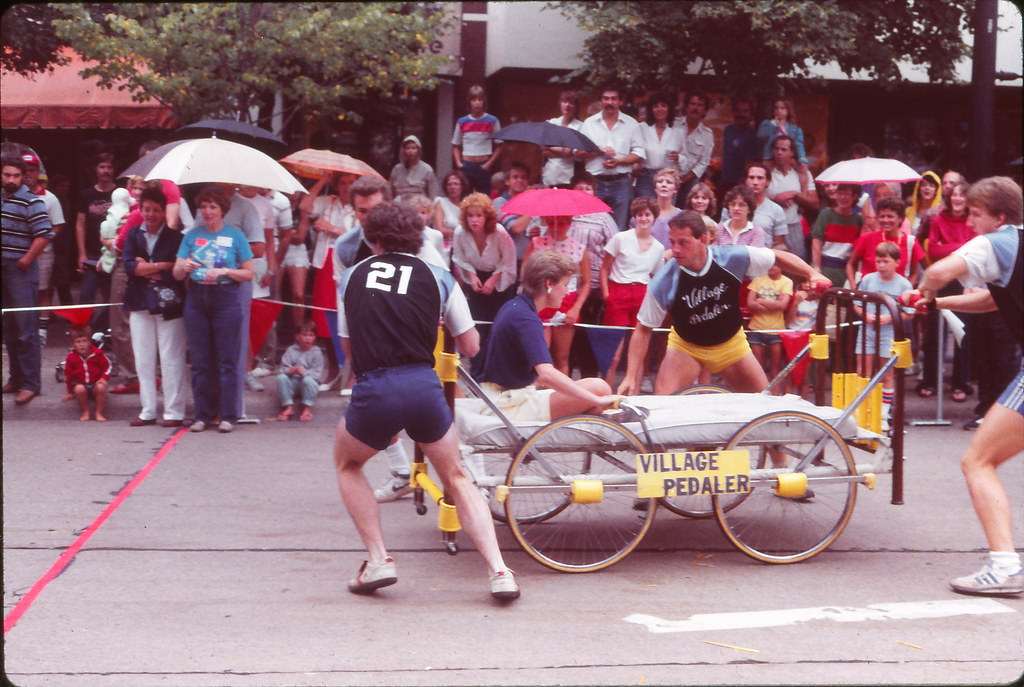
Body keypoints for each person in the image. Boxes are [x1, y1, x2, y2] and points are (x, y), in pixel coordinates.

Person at [333, 201, 519, 600]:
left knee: (348, 464)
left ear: (375, 240)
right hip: (422, 385)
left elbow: (349, 349)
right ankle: (499, 570)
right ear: (417, 238)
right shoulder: (439, 277)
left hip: (376, 386)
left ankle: (379, 558)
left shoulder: (350, 278)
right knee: (455, 475)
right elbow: (470, 344)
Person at [907, 176, 1023, 596]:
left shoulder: (997, 242)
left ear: (1000, 216)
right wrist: (936, 303)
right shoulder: (1017, 244)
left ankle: (1005, 565)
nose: (969, 221)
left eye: (975, 214)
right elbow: (991, 300)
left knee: (977, 461)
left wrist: (922, 289)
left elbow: (939, 270)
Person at [617, 211, 830, 396]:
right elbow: (643, 330)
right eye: (672, 242)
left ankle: (770, 445)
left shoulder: (732, 257)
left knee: (763, 406)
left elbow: (776, 257)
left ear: (703, 239)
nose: (676, 249)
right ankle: (695, 444)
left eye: (683, 242)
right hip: (687, 347)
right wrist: (630, 377)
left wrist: (811, 273)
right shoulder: (664, 280)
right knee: (662, 411)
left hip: (731, 344)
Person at [480, 249, 621, 422]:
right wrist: (597, 400)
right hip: (508, 406)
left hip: (503, 396)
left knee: (597, 390)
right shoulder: (526, 320)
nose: (567, 292)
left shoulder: (515, 307)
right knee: (599, 390)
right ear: (549, 284)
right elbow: (546, 374)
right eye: (565, 285)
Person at [173, 186, 254, 434]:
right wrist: (184, 267)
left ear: (222, 210)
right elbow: (176, 273)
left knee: (226, 359)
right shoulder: (191, 235)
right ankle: (202, 414)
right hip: (197, 296)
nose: (207, 212)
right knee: (199, 359)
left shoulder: (236, 235)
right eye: (204, 207)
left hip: (225, 296)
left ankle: (228, 414)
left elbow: (249, 273)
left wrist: (227, 271)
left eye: (213, 207)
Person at [122, 185, 187, 428]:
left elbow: (176, 269)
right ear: (140, 210)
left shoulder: (176, 237)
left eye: (156, 210)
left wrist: (148, 266)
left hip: (169, 304)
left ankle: (174, 411)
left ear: (163, 211)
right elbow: (130, 267)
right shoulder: (132, 234)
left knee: (172, 358)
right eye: (146, 209)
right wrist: (160, 266)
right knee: (143, 359)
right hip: (139, 302)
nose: (150, 215)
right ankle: (147, 410)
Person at [2, 155, 54, 405]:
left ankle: (31, 384)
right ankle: (15, 378)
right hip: (2, 270)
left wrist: (26, 260)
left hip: (20, 270)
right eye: (6, 175)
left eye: (15, 175)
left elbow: (44, 233)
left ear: (23, 177)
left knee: (26, 329)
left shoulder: (32, 201)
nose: (11, 180)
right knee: (9, 328)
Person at [600, 197, 666, 385]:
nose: (643, 219)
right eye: (640, 215)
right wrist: (607, 295)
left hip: (643, 296)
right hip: (618, 293)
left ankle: (635, 396)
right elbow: (605, 268)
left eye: (647, 215)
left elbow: (658, 277)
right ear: (634, 217)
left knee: (638, 356)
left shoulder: (659, 248)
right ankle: (606, 392)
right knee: (614, 354)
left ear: (654, 218)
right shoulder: (621, 238)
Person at [450, 192, 516, 377]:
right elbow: (458, 258)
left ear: (486, 216)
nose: (474, 220)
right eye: (470, 215)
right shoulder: (460, 232)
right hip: (475, 276)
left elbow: (508, 261)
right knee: (478, 326)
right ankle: (477, 371)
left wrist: (493, 280)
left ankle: (496, 371)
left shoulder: (499, 232)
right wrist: (471, 276)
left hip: (501, 279)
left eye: (478, 215)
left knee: (496, 325)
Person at [521, 214, 590, 376]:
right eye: (551, 222)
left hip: (566, 301)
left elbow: (586, 282)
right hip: (541, 299)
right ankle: (534, 391)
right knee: (540, 354)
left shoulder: (579, 248)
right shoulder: (537, 243)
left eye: (561, 223)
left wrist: (576, 308)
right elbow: (525, 273)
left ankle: (562, 395)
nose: (555, 227)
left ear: (569, 224)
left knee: (562, 357)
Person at [853, 242, 913, 423]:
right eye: (878, 261)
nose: (881, 266)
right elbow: (856, 303)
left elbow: (910, 313)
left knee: (886, 373)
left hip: (889, 332)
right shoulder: (868, 280)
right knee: (863, 370)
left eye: (885, 261)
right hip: (867, 330)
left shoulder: (904, 284)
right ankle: (861, 410)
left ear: (897, 262)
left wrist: (890, 318)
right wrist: (866, 315)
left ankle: (883, 413)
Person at [577, 82, 646, 230]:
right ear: (601, 101)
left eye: (614, 99)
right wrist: (599, 151)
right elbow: (578, 153)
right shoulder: (589, 123)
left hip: (621, 183)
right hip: (595, 183)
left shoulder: (631, 124)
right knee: (592, 226)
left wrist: (619, 161)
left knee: (618, 228)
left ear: (620, 101)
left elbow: (640, 153)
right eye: (606, 98)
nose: (610, 102)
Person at [20, 152, 65, 346]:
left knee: (42, 290)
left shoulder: (50, 198)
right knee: (20, 289)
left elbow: (58, 225)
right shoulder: (12, 195)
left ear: (38, 172)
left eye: (32, 170)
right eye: (25, 170)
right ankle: (23, 328)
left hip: (44, 252)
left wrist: (43, 240)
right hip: (19, 250)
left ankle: (41, 330)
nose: (29, 174)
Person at [75, 152, 116, 330]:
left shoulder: (120, 193)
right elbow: (80, 224)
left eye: (109, 167)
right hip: (92, 253)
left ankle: (103, 333)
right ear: (95, 169)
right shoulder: (86, 194)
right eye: (102, 167)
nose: (105, 171)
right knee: (86, 295)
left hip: (114, 254)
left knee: (113, 298)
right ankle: (86, 333)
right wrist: (82, 253)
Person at [847, 196, 924, 287]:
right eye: (882, 216)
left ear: (901, 219)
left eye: (890, 216)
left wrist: (905, 292)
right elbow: (851, 264)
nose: (885, 220)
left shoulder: (910, 242)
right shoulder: (867, 238)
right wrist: (854, 287)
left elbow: (914, 273)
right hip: (868, 295)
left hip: (895, 297)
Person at [766, 135, 818, 259]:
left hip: (794, 225)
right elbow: (754, 199)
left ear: (792, 153)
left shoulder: (802, 174)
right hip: (770, 228)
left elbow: (815, 203)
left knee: (797, 265)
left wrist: (794, 195)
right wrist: (776, 199)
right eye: (776, 149)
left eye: (783, 150)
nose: (779, 152)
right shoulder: (767, 173)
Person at [746, 264, 793, 390]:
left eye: (775, 264)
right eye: (769, 263)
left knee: (775, 368)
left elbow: (782, 306)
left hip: (776, 330)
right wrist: (774, 304)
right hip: (756, 328)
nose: (771, 266)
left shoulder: (787, 282)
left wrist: (761, 301)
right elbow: (750, 304)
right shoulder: (758, 279)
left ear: (782, 266)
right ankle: (758, 395)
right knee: (757, 368)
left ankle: (775, 397)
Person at [720, 162, 788, 249]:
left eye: (760, 178)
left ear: (767, 182)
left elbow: (779, 245)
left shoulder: (776, 210)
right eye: (751, 178)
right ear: (745, 180)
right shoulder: (731, 207)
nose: (755, 182)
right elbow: (721, 236)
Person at [451, 84, 503, 195]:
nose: (477, 103)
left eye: (480, 99)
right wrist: (459, 164)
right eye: (474, 100)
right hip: (466, 164)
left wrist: (489, 164)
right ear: (469, 102)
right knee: (464, 197)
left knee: (483, 198)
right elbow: (455, 145)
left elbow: (499, 146)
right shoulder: (462, 121)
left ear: (484, 101)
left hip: (484, 164)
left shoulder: (492, 120)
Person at [812, 181, 864, 287]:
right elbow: (817, 241)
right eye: (839, 193)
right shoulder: (826, 215)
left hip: (846, 270)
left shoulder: (858, 219)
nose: (843, 197)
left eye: (846, 194)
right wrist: (817, 268)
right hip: (826, 267)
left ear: (854, 197)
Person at [634, 92, 684, 200]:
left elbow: (686, 158)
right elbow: (634, 151)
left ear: (669, 109)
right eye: (655, 106)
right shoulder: (642, 128)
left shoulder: (678, 130)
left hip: (668, 177)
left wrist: (678, 158)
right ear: (651, 109)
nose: (659, 109)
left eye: (663, 106)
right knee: (645, 212)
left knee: (666, 214)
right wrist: (634, 168)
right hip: (646, 178)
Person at [275, 320, 325, 423]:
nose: (308, 338)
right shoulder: (291, 350)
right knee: (281, 378)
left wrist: (304, 373)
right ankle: (288, 407)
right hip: (293, 383)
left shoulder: (317, 352)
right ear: (298, 337)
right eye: (305, 335)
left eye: (311, 335)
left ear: (315, 337)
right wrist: (290, 371)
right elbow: (283, 368)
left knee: (308, 380)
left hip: (308, 384)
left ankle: (307, 409)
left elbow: (317, 374)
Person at [61, 325, 111, 422]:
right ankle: (85, 411)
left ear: (89, 342)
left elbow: (108, 366)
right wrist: (70, 392)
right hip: (80, 383)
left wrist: (104, 378)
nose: (81, 345)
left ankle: (98, 412)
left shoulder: (98, 354)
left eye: (84, 341)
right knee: (79, 389)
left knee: (101, 387)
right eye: (78, 342)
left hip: (95, 383)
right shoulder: (71, 357)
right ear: (73, 345)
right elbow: (68, 375)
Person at [493, 161, 537, 265]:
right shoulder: (500, 202)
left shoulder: (530, 202)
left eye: (524, 177)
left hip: (531, 260)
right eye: (515, 177)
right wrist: (535, 207)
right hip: (508, 262)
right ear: (507, 181)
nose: (520, 180)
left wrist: (538, 232)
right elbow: (516, 228)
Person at [674, 91, 714, 204]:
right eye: (692, 104)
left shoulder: (707, 134)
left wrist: (683, 180)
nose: (695, 108)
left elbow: (703, 163)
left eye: (700, 105)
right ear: (686, 107)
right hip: (669, 177)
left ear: (705, 110)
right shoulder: (673, 125)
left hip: (689, 180)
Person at [719, 96, 760, 202]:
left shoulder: (752, 136)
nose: (741, 114)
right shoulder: (728, 130)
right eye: (738, 111)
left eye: (745, 111)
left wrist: (740, 188)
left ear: (751, 115)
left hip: (739, 185)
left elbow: (750, 165)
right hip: (724, 181)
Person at [541, 90, 584, 188]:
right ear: (560, 104)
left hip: (568, 177)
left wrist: (550, 147)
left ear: (576, 107)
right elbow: (543, 149)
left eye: (571, 103)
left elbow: (570, 152)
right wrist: (564, 150)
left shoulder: (580, 126)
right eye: (564, 102)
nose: (567, 105)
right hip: (549, 174)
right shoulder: (551, 123)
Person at [756, 97, 809, 166]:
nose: (779, 111)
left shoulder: (795, 129)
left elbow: (798, 145)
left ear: (788, 111)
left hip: (788, 160)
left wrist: (802, 157)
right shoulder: (766, 124)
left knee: (802, 169)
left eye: (782, 108)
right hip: (769, 158)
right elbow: (761, 137)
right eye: (776, 108)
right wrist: (773, 125)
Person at [389, 134, 439, 201]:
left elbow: (433, 195)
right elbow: (390, 193)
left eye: (413, 148)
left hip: (419, 206)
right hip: (399, 206)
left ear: (418, 150)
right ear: (403, 150)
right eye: (407, 148)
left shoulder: (427, 169)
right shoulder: (396, 169)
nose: (410, 151)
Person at [433, 169, 470, 245]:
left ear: (462, 187)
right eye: (449, 184)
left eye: (456, 184)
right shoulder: (440, 202)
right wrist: (461, 234)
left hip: (464, 245)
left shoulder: (467, 205)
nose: (452, 187)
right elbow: (439, 229)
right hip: (444, 244)